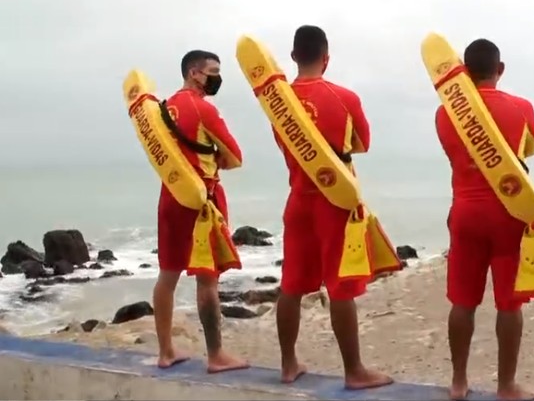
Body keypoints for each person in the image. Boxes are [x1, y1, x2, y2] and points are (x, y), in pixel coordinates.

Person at [273, 25, 392, 390]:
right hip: (335, 203)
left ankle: (289, 363)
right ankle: (354, 370)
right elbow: (361, 143)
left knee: (290, 286)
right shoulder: (345, 97)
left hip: (298, 201)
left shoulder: (279, 104)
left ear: (294, 56)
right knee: (340, 288)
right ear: (326, 57)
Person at [435, 39, 534, 401]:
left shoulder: (445, 112)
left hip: (465, 213)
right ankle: (506, 386)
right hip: (508, 215)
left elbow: (452, 152)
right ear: (501, 69)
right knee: (509, 304)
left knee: (462, 302)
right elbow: (527, 150)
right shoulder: (522, 108)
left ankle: (458, 383)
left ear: (463, 71)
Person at [154, 50, 249, 373]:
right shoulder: (204, 109)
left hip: (171, 197)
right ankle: (216, 356)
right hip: (202, 202)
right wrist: (216, 156)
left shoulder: (163, 109)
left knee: (168, 275)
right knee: (207, 280)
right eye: (213, 71)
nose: (216, 78)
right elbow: (235, 156)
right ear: (195, 73)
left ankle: (166, 351)